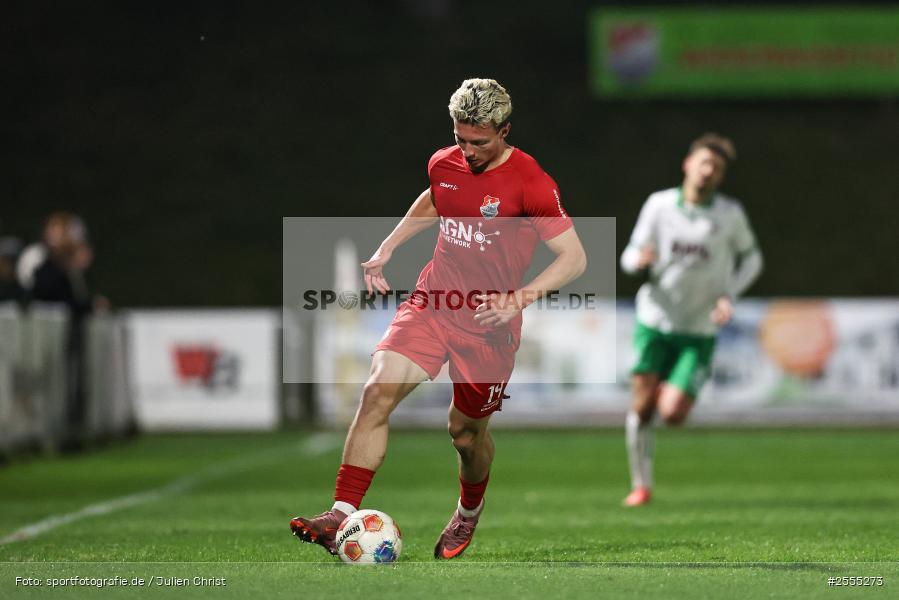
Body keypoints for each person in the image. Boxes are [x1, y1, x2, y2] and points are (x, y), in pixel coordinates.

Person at [290, 78, 587, 559]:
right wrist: (389, 246)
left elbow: (573, 258)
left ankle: (467, 513)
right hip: (433, 302)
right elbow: (436, 197)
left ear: (505, 130)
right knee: (376, 390)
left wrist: (518, 299)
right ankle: (340, 514)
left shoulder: (531, 182)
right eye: (460, 138)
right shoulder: (444, 162)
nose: (467, 151)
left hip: (490, 326)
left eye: (479, 142)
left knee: (466, 436)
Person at [619, 133, 763, 507]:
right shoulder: (660, 205)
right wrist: (638, 261)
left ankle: (668, 388)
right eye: (704, 163)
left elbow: (752, 259)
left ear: (721, 177)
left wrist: (728, 294)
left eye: (716, 167)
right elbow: (630, 253)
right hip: (655, 319)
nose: (709, 171)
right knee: (641, 407)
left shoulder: (729, 214)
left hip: (698, 328)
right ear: (687, 164)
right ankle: (641, 485)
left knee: (673, 413)